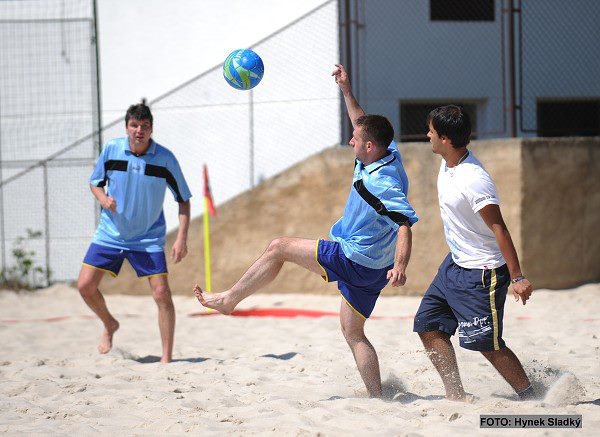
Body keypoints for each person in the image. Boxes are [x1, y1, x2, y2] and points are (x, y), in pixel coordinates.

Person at [193, 64, 418, 398]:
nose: (350, 140)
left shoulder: (380, 182)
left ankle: (229, 300)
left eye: (356, 140)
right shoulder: (387, 154)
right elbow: (361, 123)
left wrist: (401, 265)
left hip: (354, 257)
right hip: (374, 269)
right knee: (354, 334)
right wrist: (345, 89)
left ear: (369, 147)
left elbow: (404, 224)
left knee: (278, 247)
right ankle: (377, 398)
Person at [413, 105, 535, 400]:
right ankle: (456, 394)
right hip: (453, 265)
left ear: (445, 139)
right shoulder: (448, 161)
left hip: (482, 272)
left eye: (431, 130)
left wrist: (517, 276)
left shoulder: (474, 179)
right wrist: (348, 91)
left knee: (488, 345)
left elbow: (499, 229)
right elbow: (373, 136)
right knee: (428, 326)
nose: (426, 134)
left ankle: (532, 397)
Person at [77, 103, 192, 363]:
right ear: (127, 127)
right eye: (134, 125)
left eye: (145, 126)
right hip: (111, 233)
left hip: (148, 237)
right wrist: (103, 199)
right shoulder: (112, 149)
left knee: (162, 293)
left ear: (151, 128)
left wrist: (182, 238)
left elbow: (183, 200)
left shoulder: (165, 158)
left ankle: (166, 359)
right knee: (85, 286)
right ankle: (110, 324)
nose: (139, 130)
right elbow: (95, 183)